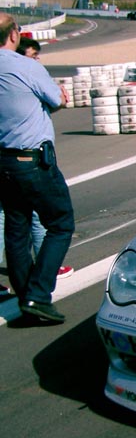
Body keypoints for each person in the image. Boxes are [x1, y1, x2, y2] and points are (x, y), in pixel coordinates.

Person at [0, 13, 75, 323]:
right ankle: (38, 294)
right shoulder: (26, 66)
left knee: (16, 227)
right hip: (31, 159)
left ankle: (25, 296)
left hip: (3, 159)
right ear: (14, 35)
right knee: (61, 223)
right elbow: (57, 100)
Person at [13, 36, 74, 279]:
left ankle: (25, 278)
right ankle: (45, 271)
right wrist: (58, 99)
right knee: (47, 218)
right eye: (33, 56)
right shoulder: (26, 73)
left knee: (11, 221)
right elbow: (56, 100)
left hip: (8, 158)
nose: (37, 61)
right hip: (29, 158)